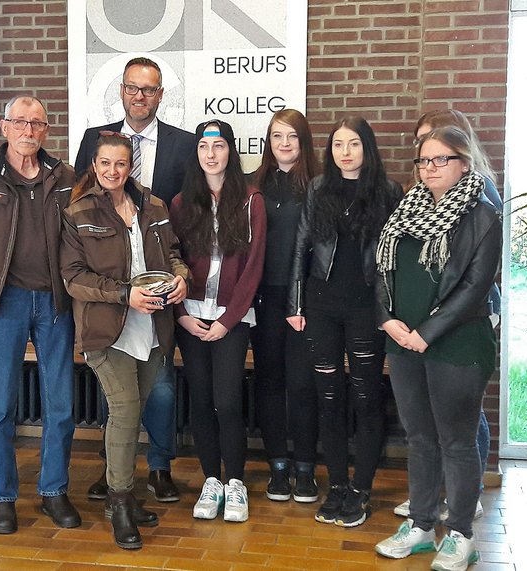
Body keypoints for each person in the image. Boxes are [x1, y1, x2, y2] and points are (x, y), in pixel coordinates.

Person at [0, 95, 80, 534]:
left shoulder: (66, 178)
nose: (28, 131)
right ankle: (3, 496)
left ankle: (54, 490)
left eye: (37, 124)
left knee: (60, 402)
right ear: (4, 127)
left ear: (46, 130)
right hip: (3, 304)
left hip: (55, 303)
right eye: (20, 122)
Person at [375, 126, 502, 571]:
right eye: (423, 160)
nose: (429, 168)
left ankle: (461, 535)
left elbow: (474, 287)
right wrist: (386, 318)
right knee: (420, 438)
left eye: (440, 159)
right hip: (403, 341)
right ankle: (422, 525)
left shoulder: (482, 214)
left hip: (457, 344)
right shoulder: (406, 210)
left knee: (457, 442)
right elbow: (382, 269)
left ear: (464, 163)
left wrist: (427, 332)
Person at [75, 57, 196, 502]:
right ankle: (115, 471)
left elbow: (185, 218)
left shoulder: (184, 144)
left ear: (160, 95)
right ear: (122, 91)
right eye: (132, 87)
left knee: (159, 389)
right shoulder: (96, 139)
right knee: (118, 394)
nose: (139, 96)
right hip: (108, 295)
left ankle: (159, 467)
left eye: (148, 89)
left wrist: (179, 275)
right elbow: (80, 204)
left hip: (160, 288)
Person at [61, 132, 189, 549]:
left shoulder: (154, 206)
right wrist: (124, 294)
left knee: (135, 410)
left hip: (153, 327)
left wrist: (181, 278)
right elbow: (73, 277)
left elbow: (173, 254)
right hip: (106, 328)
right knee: (126, 410)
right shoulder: (78, 211)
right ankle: (118, 503)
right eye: (105, 163)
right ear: (94, 166)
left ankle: (126, 496)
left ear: (130, 165)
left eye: (120, 163)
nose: (113, 171)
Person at [287, 116, 402, 527]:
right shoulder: (319, 188)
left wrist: (391, 312)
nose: (345, 152)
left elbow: (395, 258)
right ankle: (336, 485)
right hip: (322, 307)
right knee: (329, 398)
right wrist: (295, 304)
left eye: (353, 144)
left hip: (367, 310)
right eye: (338, 144)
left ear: (367, 148)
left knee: (367, 398)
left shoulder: (388, 192)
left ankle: (361, 489)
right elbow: (301, 246)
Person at [171, 119, 266, 523]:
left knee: (227, 401)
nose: (211, 154)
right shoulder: (181, 203)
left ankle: (235, 481)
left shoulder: (250, 200)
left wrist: (228, 320)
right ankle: (211, 479)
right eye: (204, 146)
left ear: (231, 150)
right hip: (191, 318)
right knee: (201, 400)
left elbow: (254, 266)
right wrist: (180, 315)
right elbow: (171, 260)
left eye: (219, 145)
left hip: (232, 319)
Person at [249, 109, 320, 504]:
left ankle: (305, 468)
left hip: (305, 301)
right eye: (277, 136)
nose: (285, 143)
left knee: (303, 383)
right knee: (270, 381)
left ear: (303, 140)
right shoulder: (253, 184)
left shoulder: (318, 186)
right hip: (264, 299)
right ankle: (277, 465)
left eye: (292, 135)